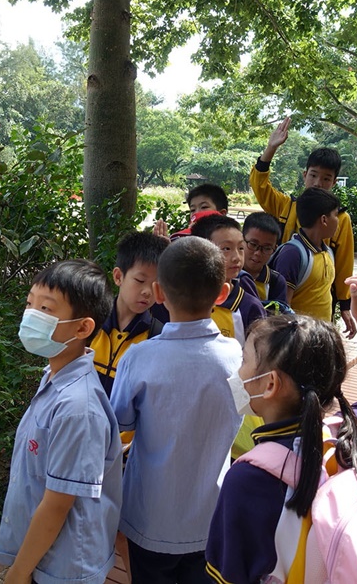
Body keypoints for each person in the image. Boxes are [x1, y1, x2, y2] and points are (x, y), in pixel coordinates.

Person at [204, 276, 357, 583]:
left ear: (270, 384)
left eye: (245, 359)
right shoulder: (350, 431)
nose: (238, 371)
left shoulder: (246, 479)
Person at [110, 237, 242, 584]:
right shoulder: (238, 357)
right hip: (211, 517)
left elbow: (119, 422)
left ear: (158, 292)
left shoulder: (139, 357)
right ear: (222, 293)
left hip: (149, 518)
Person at [0, 259, 123, 584]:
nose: (31, 315)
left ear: (82, 328)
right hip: (47, 555)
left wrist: (18, 573)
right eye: (30, 304)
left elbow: (57, 504)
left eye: (46, 309)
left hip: (65, 566)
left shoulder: (78, 407)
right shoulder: (54, 377)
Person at [249, 118, 356, 337]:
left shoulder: (340, 218)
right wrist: (271, 148)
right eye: (314, 175)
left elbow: (344, 263)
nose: (318, 183)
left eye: (326, 178)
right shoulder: (286, 206)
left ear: (334, 182)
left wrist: (345, 305)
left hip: (319, 306)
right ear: (305, 174)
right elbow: (260, 187)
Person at [91, 230, 170, 396]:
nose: (148, 291)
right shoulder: (90, 322)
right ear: (118, 277)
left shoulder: (158, 338)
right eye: (140, 281)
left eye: (157, 284)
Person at [190, 214, 266, 345]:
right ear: (199, 252)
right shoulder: (183, 299)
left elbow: (260, 352)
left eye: (241, 248)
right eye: (226, 249)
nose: (236, 257)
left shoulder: (250, 307)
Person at [271, 187, 340, 323]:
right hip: (300, 335)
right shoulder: (292, 254)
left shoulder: (327, 252)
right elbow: (282, 310)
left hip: (322, 333)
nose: (338, 220)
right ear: (324, 220)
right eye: (336, 215)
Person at [241, 212, 288, 305]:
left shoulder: (276, 282)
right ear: (241, 240)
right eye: (253, 244)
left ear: (274, 249)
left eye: (267, 248)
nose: (258, 253)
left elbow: (279, 312)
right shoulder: (229, 274)